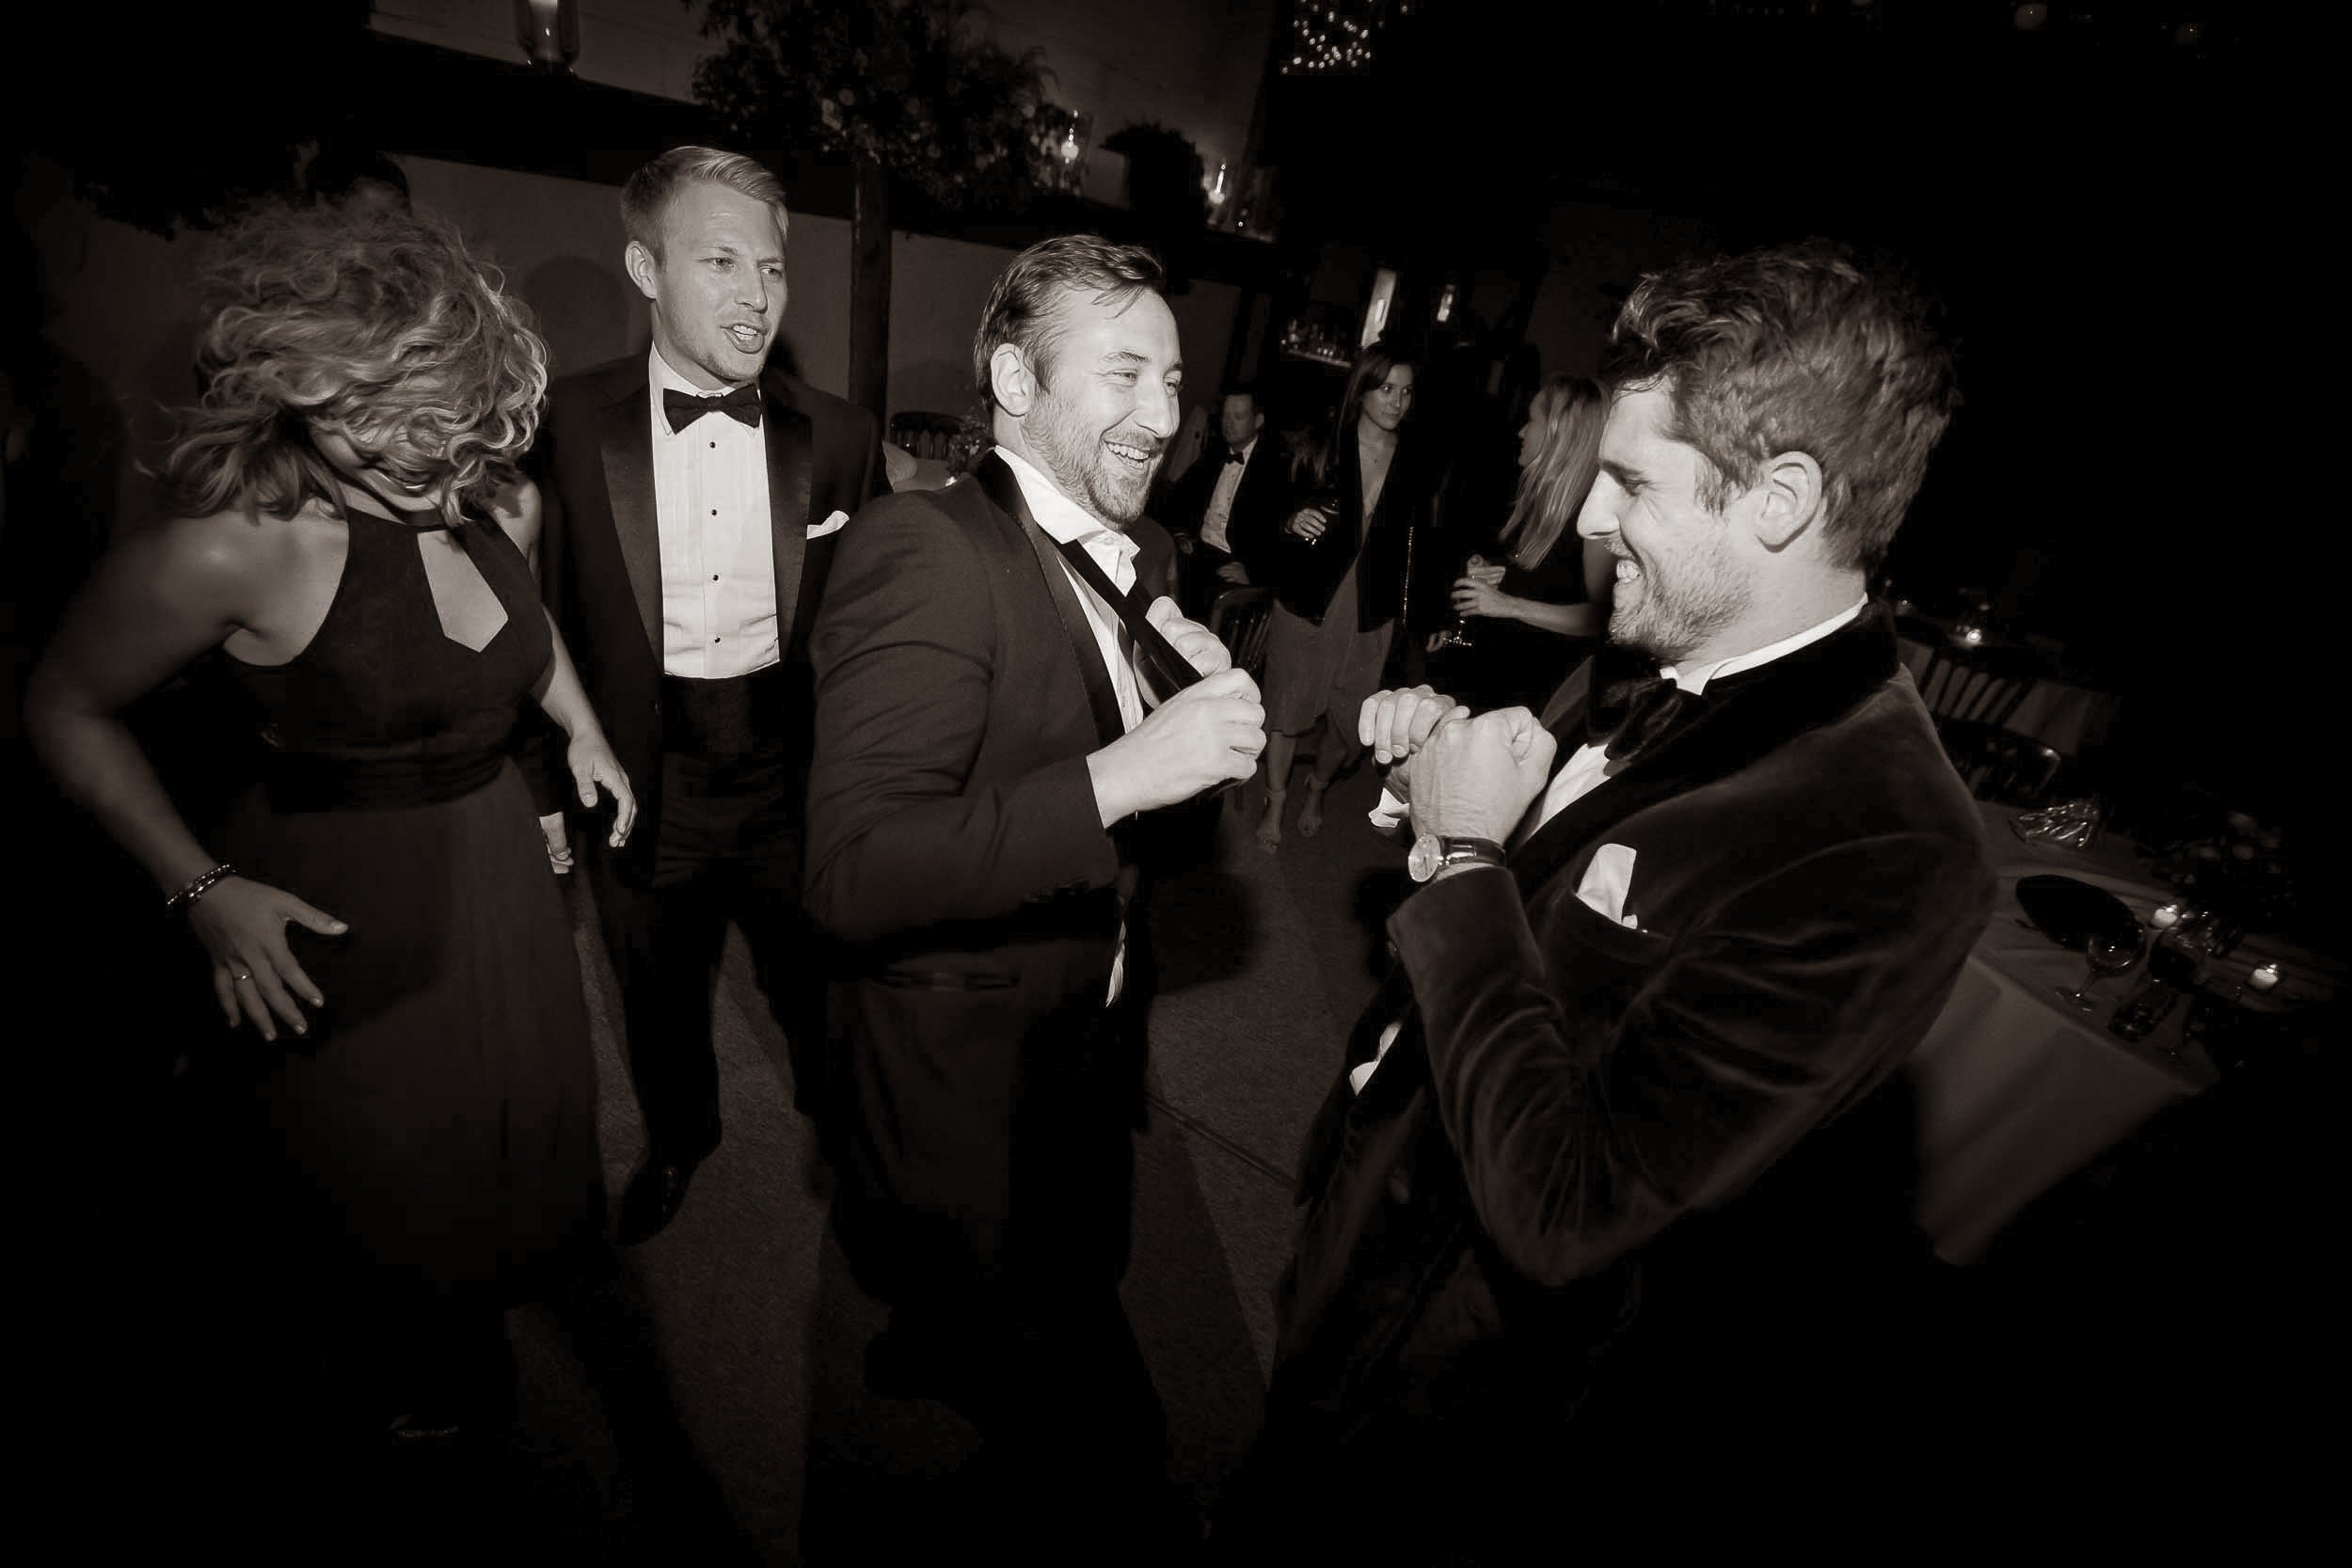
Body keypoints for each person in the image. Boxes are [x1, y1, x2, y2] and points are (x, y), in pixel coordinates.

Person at [1219, 240, 1995, 1559]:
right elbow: (1593, 911)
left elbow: (1574, 1202)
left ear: (1783, 497)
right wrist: (1469, 792)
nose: (1589, 517)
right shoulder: (1696, 643)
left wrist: (1469, 857)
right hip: (1374, 1233)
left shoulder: (1891, 844)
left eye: (1632, 480)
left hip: (1454, 1411)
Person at [21, 199, 634, 1445]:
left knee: (503, 1145)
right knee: (374, 1191)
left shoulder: (482, 493)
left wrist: (582, 727)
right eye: (407, 443)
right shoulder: (230, 552)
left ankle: (459, 1359)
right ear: (305, 394)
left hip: (499, 875)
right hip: (339, 905)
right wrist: (200, 890)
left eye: (461, 442)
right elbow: (62, 705)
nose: (446, 477)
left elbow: (531, 629)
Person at [803, 234, 1263, 1545]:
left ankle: (943, 1341)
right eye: (1125, 372)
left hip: (1094, 1015)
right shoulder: (924, 547)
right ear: (1015, 376)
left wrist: (1201, 725)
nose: (1166, 417)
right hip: (967, 1046)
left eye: (1175, 379)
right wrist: (1122, 777)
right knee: (1092, 1413)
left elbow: (1135, 791)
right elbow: (848, 873)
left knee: (1059, 1260)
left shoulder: (1152, 547)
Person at [529, 146, 884, 1246]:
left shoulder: (838, 435)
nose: (755, 294)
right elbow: (534, 614)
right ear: (646, 267)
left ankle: (856, 1138)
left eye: (771, 267)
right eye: (720, 260)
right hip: (639, 772)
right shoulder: (566, 427)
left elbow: (866, 621)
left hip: (790, 772)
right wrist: (547, 784)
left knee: (820, 980)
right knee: (657, 991)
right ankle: (682, 1135)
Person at [1252, 341, 1438, 851]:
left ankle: (1318, 788)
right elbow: (1265, 510)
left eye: (1406, 392)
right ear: (1362, 390)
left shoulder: (1414, 464)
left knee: (1352, 727)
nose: (1397, 401)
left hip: (1369, 613)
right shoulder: (1320, 445)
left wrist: (1424, 612)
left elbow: (1422, 544)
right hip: (1308, 601)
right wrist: (1290, 520)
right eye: (1386, 389)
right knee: (1286, 711)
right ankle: (1275, 800)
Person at [1438, 372, 1614, 711]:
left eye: (1530, 422)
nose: (1521, 432)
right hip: (1496, 677)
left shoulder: (1593, 518)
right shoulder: (1540, 496)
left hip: (1535, 694)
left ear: (1557, 434)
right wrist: (1500, 576)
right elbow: (1548, 580)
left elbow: (1602, 619)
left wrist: (1509, 606)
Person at [1159, 382, 1284, 621]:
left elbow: (1279, 533)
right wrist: (1181, 534)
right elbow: (1177, 498)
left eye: (1238, 416)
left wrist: (1253, 572)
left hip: (1234, 561)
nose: (1228, 422)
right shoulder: (1214, 454)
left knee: (1204, 609)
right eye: (1226, 415)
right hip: (1198, 551)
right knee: (1158, 579)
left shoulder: (1275, 468)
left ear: (1258, 421)